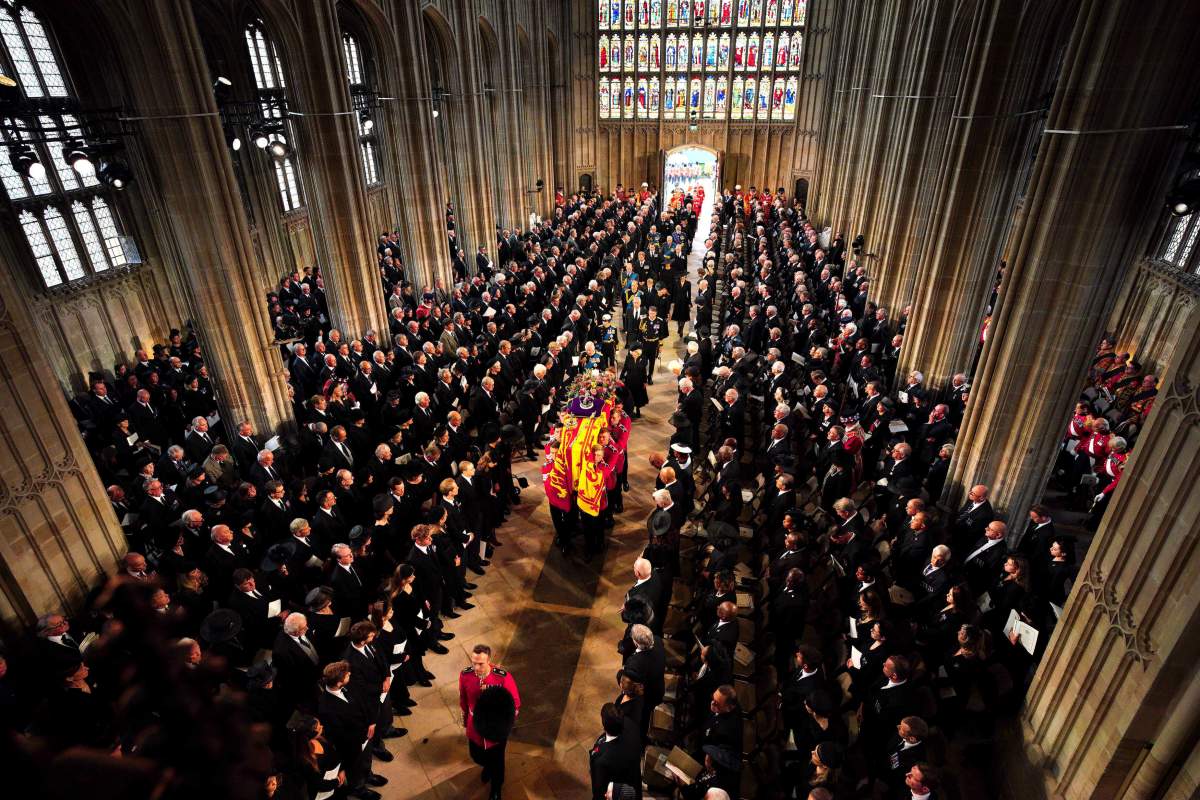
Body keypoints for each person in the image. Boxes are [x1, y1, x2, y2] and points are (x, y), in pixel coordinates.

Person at [459, 644, 521, 800]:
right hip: (476, 726)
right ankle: (486, 766)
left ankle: (496, 787)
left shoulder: (502, 677)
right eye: (474, 663)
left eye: (480, 663)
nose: (476, 667)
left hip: (495, 728)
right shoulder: (465, 675)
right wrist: (466, 719)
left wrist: (505, 725)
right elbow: (463, 699)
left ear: (489, 660)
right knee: (476, 756)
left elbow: (514, 703)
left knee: (497, 762)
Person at [590, 702, 643, 800]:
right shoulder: (631, 725)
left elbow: (599, 790)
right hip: (633, 780)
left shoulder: (602, 760)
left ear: (604, 724)